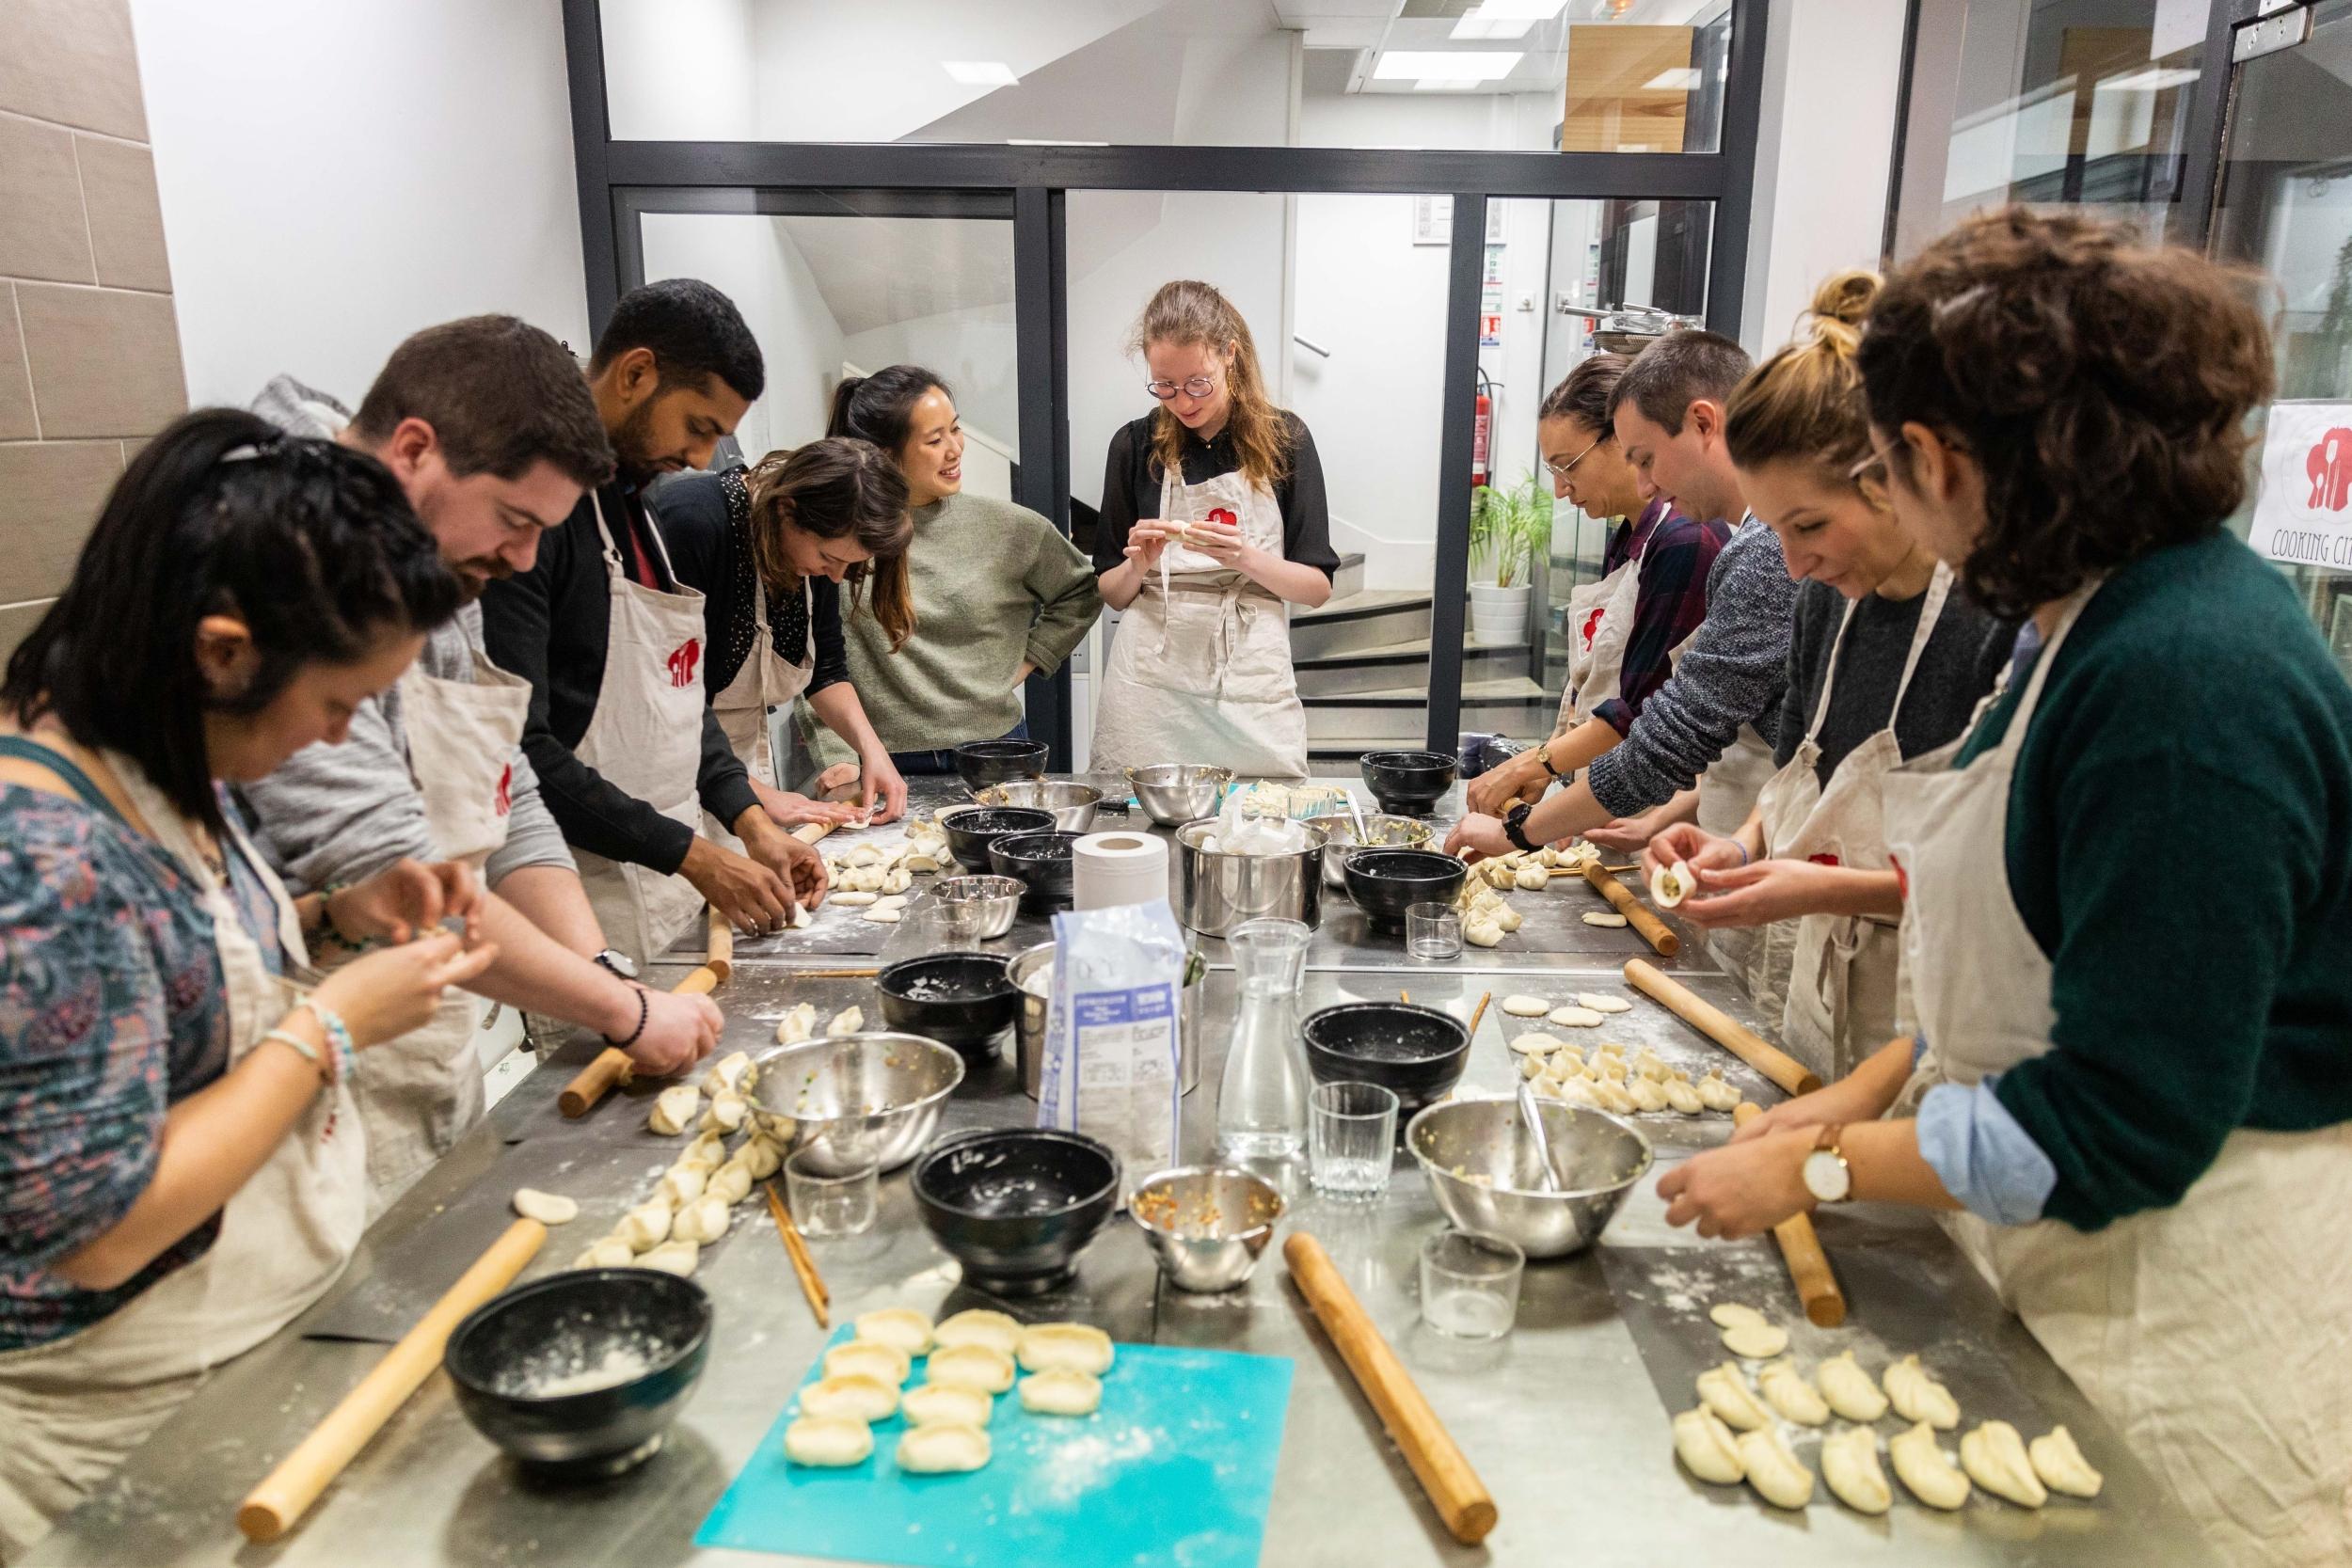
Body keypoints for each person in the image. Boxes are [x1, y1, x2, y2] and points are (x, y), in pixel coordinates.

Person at [1657, 210, 2352, 1568]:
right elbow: (2043, 975)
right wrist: (1850, 1095)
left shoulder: (2188, 684)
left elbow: (2118, 1116)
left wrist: (1819, 1163)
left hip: (2194, 1330)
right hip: (2086, 1276)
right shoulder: (2088, 628)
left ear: (1928, 456)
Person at [0, 411, 498, 1557]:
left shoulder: (167, 766)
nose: (332, 740)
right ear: (224, 651)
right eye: (333, 705)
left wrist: (334, 915)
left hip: (247, 1349)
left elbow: (177, 998)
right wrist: (333, 1024)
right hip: (114, 1421)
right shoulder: (40, 855)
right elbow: (102, 1229)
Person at [244, 318, 722, 1210]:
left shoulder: (436, 559)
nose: (524, 559)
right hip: (296, 1086)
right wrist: (625, 1010)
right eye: (515, 520)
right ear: (415, 450)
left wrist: (608, 974)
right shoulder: (282, 558)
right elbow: (395, 878)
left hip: (429, 1037)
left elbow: (502, 786)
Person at [1637, 273, 2012, 1081]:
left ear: (1895, 480)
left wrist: (1820, 889)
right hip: (1816, 992)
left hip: (1934, 1013)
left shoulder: (1990, 622)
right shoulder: (1822, 601)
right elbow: (1794, 779)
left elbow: (2004, 881)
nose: (1796, 561)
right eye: (1776, 531)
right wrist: (1737, 847)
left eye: (1809, 525)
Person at [481, 279, 826, 965]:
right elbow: (523, 751)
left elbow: (677, 701)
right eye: (698, 426)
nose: (702, 458)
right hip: (583, 891)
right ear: (637, 373)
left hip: (669, 874)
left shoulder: (638, 513)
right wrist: (696, 855)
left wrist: (749, 822)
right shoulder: (534, 522)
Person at [1447, 329, 1796, 1006]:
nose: (1645, 484)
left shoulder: (1746, 552)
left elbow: (1663, 730)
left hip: (1779, 862)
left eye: (1645, 458)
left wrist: (1520, 825)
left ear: (1704, 423)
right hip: (1737, 834)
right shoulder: (1750, 546)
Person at [1091, 281, 1338, 780]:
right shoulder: (1134, 445)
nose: (1182, 400)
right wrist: (1140, 562)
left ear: (1229, 354)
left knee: (1265, 823)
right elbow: (1111, 593)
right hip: (1150, 692)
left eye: (1197, 382)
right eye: (1164, 385)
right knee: (1139, 824)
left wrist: (1243, 557)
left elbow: (1316, 589)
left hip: (1249, 683)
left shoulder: (1285, 439)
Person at [1467, 353, 1730, 816]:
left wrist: (1533, 769)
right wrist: (1547, 772)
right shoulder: (1631, 537)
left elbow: (1640, 713)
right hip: (1610, 797)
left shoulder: (1685, 539)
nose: (1561, 490)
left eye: (1568, 466)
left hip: (1655, 805)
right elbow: (1591, 685)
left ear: (1622, 442)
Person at [817, 366, 1099, 777]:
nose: (955, 449)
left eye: (955, 429)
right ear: (886, 454)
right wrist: (837, 758)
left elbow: (1081, 591)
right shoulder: (842, 543)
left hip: (997, 749)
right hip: (883, 760)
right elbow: (817, 658)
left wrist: (1030, 660)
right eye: (934, 439)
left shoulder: (1011, 527)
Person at [651, 437, 914, 824]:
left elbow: (825, 669)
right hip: (662, 775)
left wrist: (872, 750)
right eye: (829, 559)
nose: (837, 576)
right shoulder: (694, 523)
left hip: (742, 768)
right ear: (786, 510)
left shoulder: (817, 555)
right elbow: (665, 696)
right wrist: (758, 796)